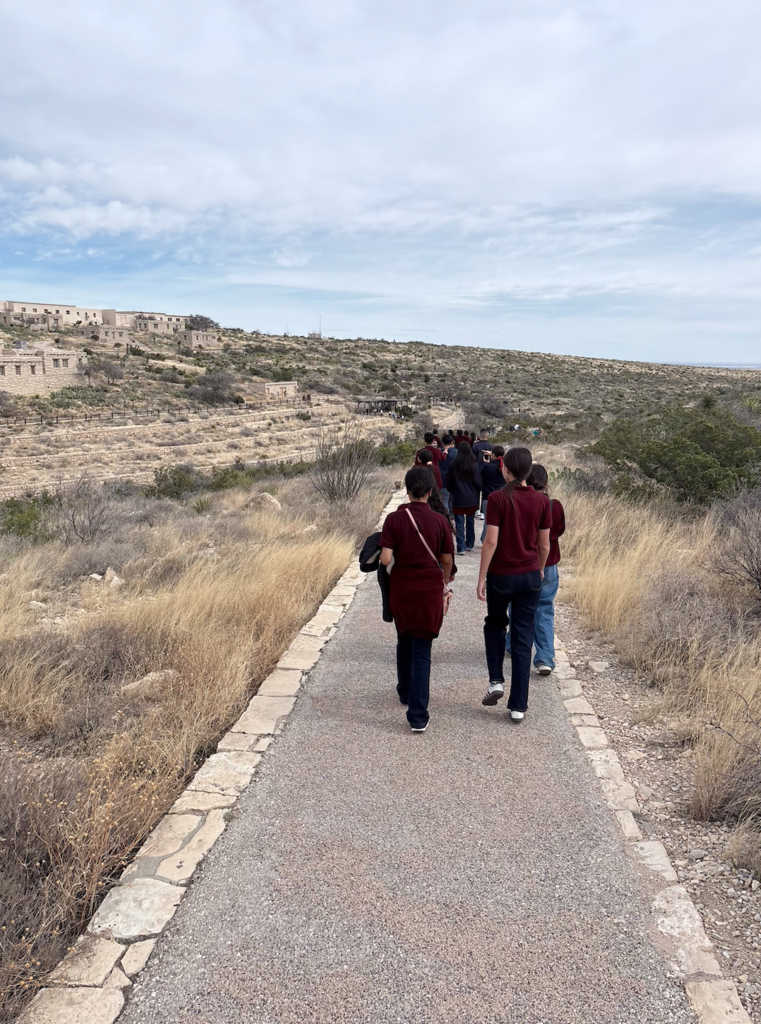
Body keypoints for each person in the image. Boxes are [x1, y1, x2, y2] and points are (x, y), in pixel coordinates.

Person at [477, 447, 551, 722]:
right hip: (531, 575)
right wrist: (540, 570)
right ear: (529, 472)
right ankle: (518, 705)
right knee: (523, 637)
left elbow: (491, 541)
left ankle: (496, 679)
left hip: (501, 576)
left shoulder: (497, 499)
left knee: (495, 625)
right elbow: (544, 545)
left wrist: (482, 576)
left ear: (506, 469)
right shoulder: (542, 502)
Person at [379, 467, 454, 733]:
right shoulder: (440, 521)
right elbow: (447, 559)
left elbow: (385, 559)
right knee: (422, 651)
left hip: (402, 590)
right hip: (429, 591)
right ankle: (418, 716)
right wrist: (443, 580)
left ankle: (404, 691)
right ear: (431, 491)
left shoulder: (394, 520)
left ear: (407, 491)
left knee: (403, 640)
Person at [506, 464, 565, 675]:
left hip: (523, 563)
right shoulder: (554, 506)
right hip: (548, 564)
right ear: (546, 483)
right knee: (545, 609)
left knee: (517, 606)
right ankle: (545, 657)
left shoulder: (518, 503)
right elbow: (559, 530)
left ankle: (513, 644)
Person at [446, 442, 483, 555]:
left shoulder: (452, 465)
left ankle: (461, 547)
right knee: (470, 521)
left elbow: (449, 483)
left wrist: (452, 490)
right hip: (472, 499)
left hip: (458, 498)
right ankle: (470, 544)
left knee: (459, 523)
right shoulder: (474, 464)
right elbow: (478, 482)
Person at [479, 444, 505, 542]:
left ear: (493, 455)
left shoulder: (487, 467)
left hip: (488, 496)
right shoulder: (504, 467)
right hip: (502, 497)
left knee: (487, 520)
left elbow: (482, 479)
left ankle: (485, 539)